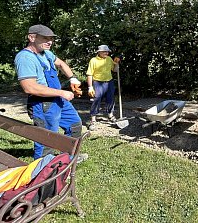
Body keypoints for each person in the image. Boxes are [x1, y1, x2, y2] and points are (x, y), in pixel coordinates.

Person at [14, 24, 87, 161]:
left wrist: (72, 78)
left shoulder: (46, 54)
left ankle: (69, 158)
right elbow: (29, 87)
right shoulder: (25, 58)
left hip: (58, 99)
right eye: (45, 38)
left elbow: (61, 64)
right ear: (31, 37)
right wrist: (61, 93)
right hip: (42, 104)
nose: (49, 42)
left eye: (51, 39)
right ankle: (41, 171)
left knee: (75, 125)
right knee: (47, 139)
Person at [86, 45, 120, 130]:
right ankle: (93, 119)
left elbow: (115, 70)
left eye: (107, 51)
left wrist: (116, 64)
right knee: (96, 99)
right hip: (97, 82)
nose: (107, 53)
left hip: (109, 82)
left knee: (110, 98)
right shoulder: (93, 60)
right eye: (105, 51)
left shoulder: (109, 59)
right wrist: (90, 87)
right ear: (99, 52)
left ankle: (110, 115)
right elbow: (89, 74)